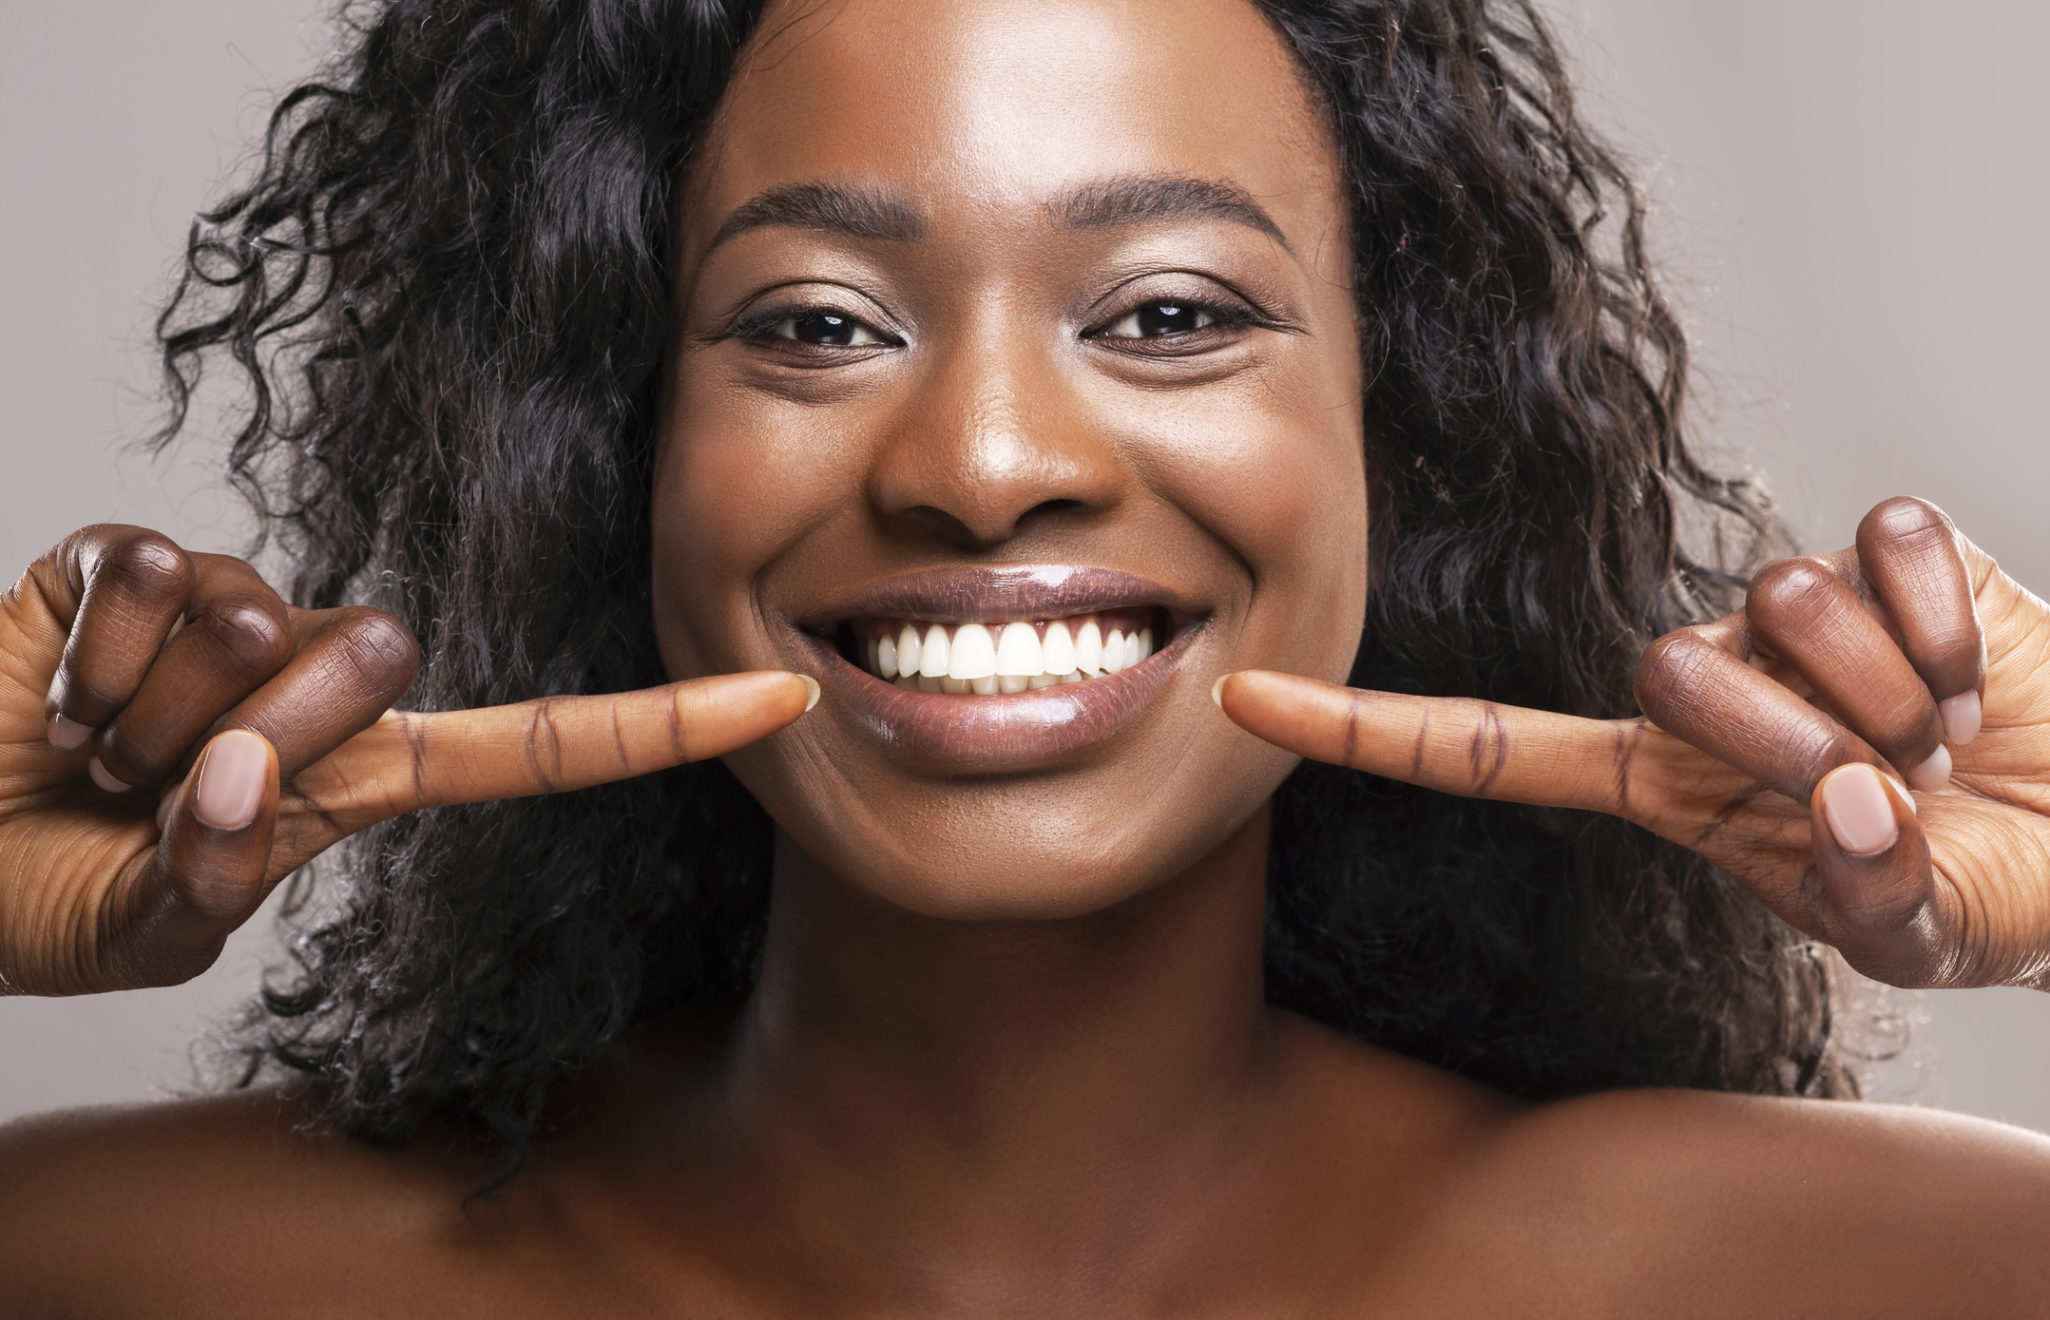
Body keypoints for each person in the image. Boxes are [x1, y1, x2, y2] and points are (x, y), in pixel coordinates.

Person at [2, 0, 2047, 1312]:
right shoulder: (119, 1269)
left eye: (1164, 313)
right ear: (617, 459)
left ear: (1388, 439)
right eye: (813, 322)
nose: (982, 469)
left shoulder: (1907, 1271)